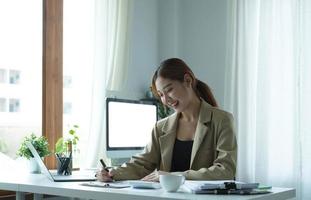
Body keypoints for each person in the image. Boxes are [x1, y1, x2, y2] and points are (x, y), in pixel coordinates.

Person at [96, 58, 237, 182]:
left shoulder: (221, 120)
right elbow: (142, 164)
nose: (166, 100)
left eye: (169, 90)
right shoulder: (161, 127)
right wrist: (111, 172)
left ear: (188, 81)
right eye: (161, 95)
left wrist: (177, 176)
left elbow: (225, 170)